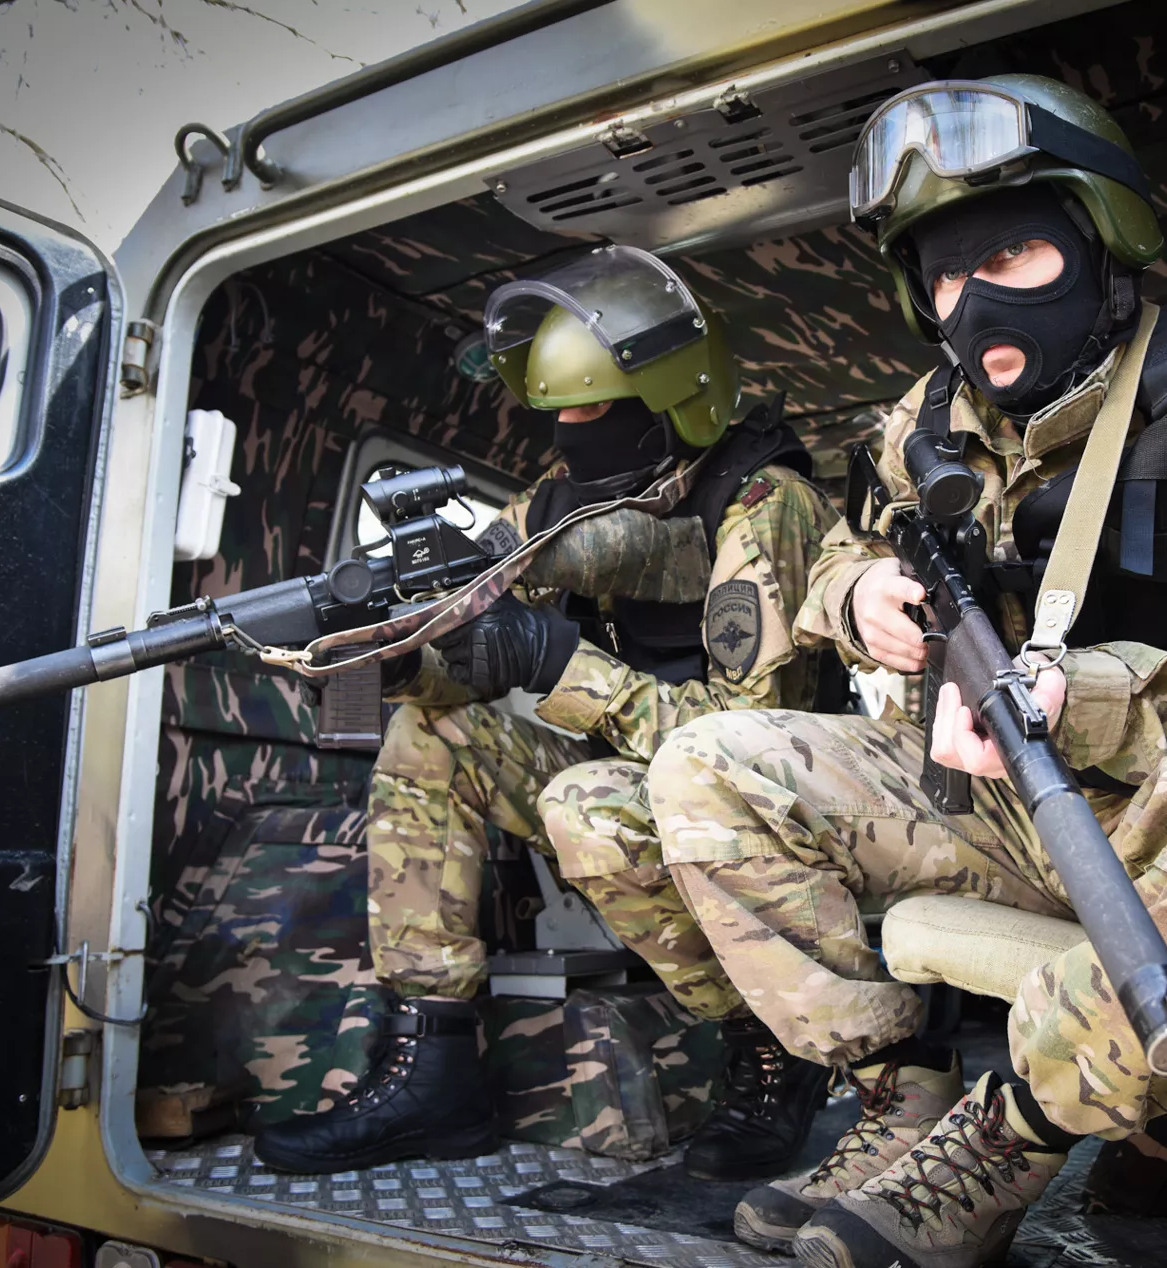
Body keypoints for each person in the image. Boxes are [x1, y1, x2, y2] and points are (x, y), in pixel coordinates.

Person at [642, 74, 1167, 1267]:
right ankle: (895, 1098)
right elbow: (838, 549)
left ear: (1100, 238)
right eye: (945, 277)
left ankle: (1002, 1140)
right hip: (999, 805)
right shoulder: (929, 416)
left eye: (1009, 256)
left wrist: (1083, 696)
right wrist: (856, 596)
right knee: (707, 763)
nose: (974, 301)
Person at [252, 245, 841, 1180]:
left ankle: (775, 1041)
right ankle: (432, 1063)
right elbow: (468, 657)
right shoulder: (552, 509)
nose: (570, 433)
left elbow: (751, 746)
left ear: (673, 400)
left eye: (594, 410)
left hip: (766, 808)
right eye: (556, 411)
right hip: (627, 770)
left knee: (588, 805)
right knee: (431, 732)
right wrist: (404, 662)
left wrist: (560, 663)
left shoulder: (765, 505)